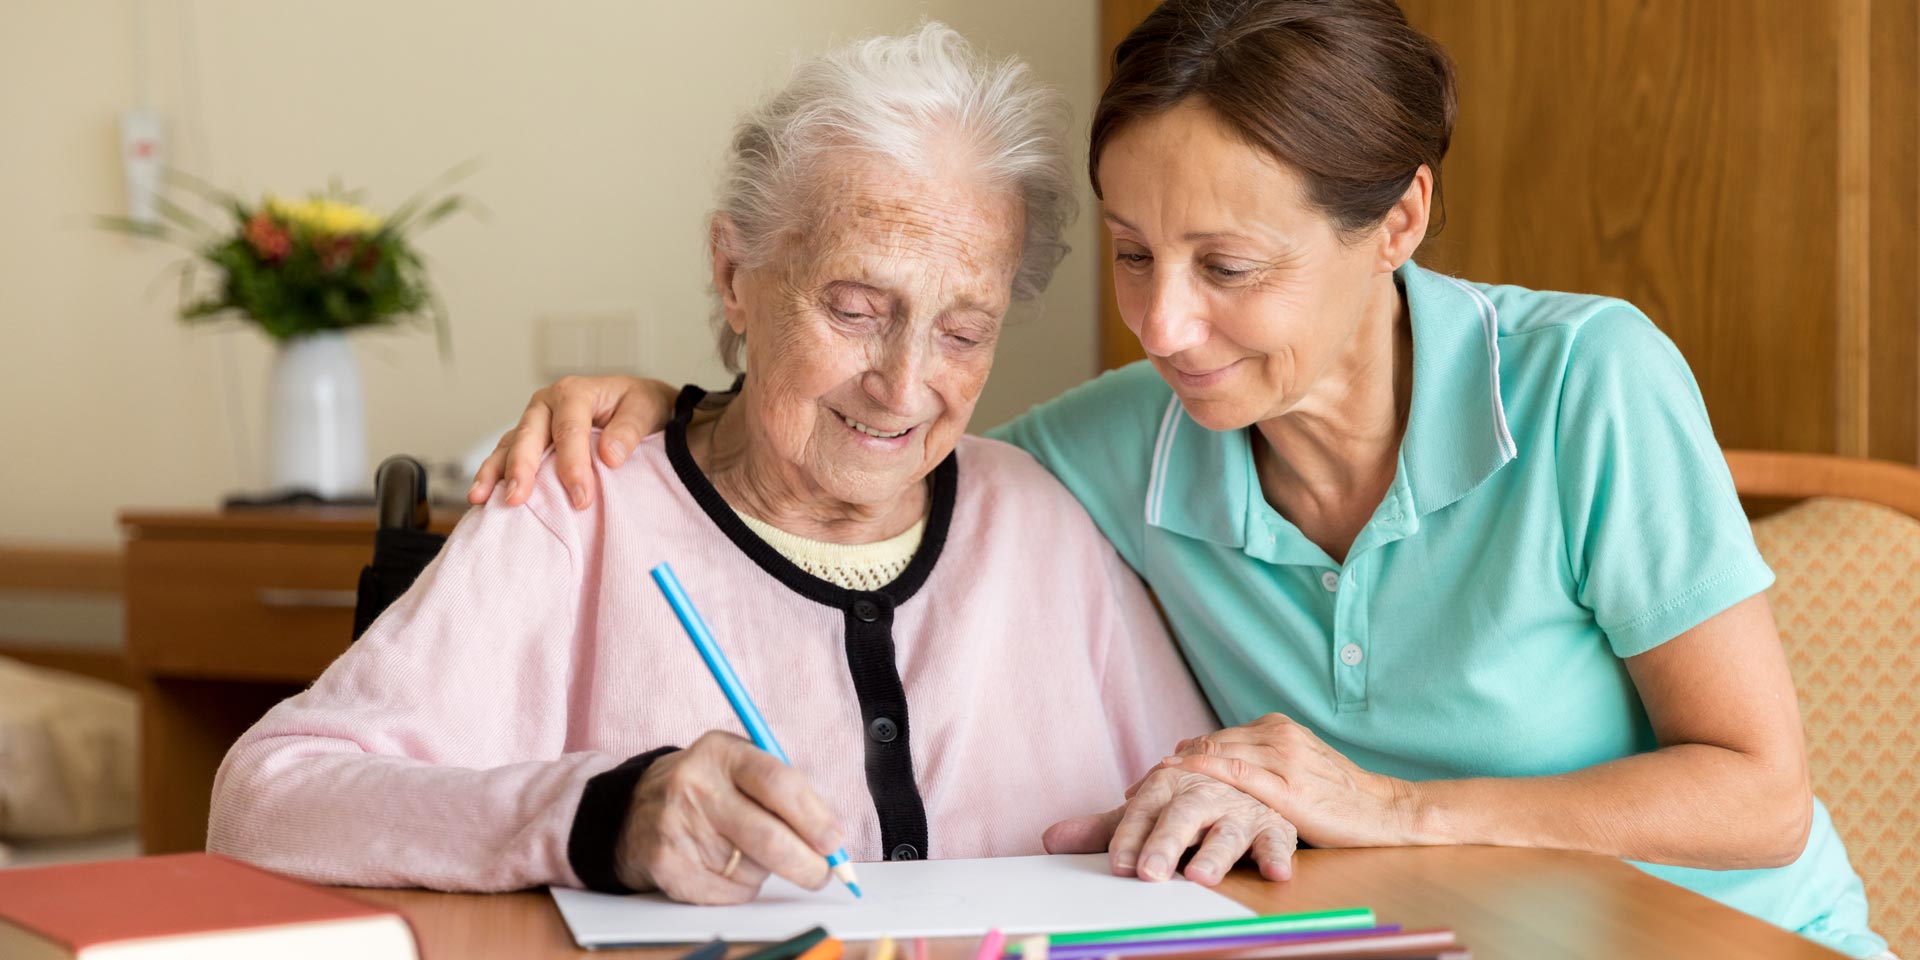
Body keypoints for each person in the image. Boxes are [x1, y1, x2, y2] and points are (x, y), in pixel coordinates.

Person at [472, 1, 1888, 954]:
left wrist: (1382, 804)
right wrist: (689, 403)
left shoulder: (1589, 384)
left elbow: (1755, 794)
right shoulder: (1114, 446)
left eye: (1229, 268)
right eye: (1135, 253)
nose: (1165, 326)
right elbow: (873, 465)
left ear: (1398, 219)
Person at [207, 23, 1230, 906]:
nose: (904, 385)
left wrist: (1219, 808)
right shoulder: (580, 503)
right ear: (735, 275)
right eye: (856, 311)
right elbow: (265, 799)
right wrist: (600, 815)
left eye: (964, 332)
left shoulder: (1040, 524)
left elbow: (1208, 791)